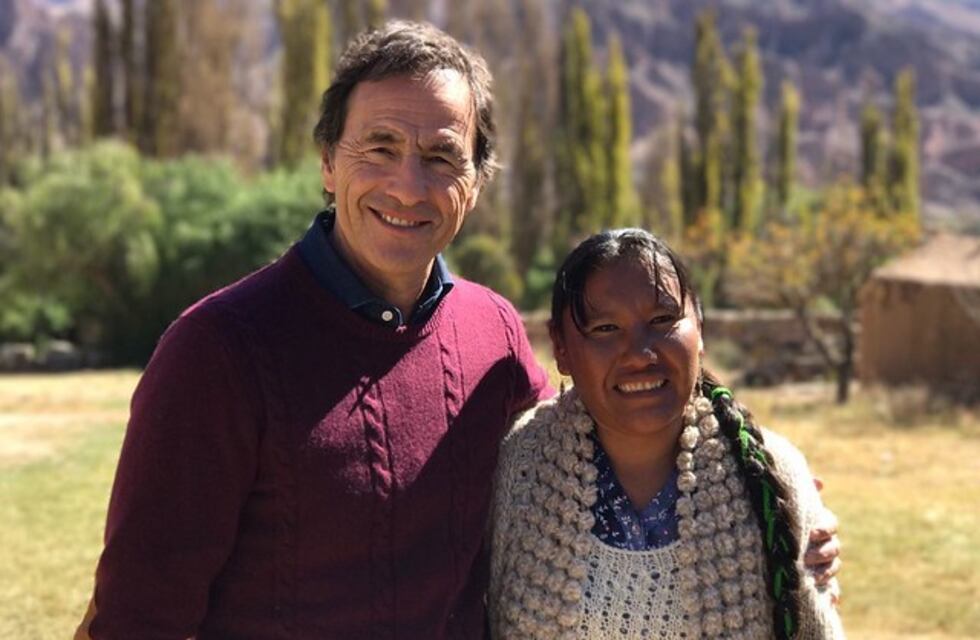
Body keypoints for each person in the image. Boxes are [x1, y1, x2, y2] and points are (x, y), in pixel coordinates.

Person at [77, 21, 839, 640]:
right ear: (326, 165)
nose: (408, 184)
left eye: (442, 156)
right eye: (379, 147)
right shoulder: (218, 351)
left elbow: (606, 431)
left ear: (474, 186)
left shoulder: (492, 334)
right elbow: (135, 619)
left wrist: (778, 508)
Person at [489, 229, 844, 639]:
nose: (640, 353)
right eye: (605, 328)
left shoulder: (770, 473)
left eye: (662, 321)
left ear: (700, 328)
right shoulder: (521, 469)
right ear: (562, 348)